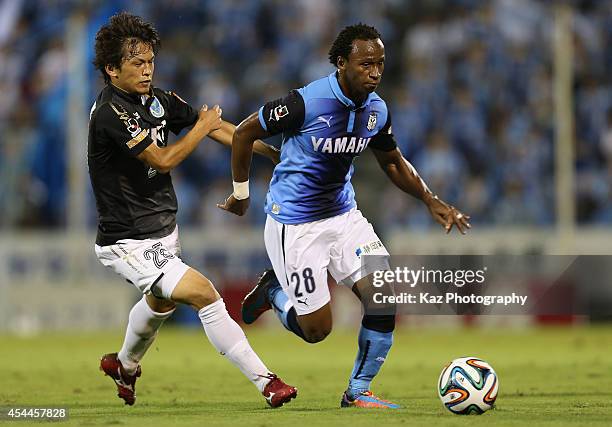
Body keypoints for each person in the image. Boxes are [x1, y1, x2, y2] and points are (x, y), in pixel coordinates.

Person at [218, 23, 470, 409]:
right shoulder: (306, 102)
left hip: (343, 216)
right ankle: (273, 291)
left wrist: (430, 199)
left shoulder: (377, 109)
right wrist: (240, 193)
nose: (375, 72)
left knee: (383, 297)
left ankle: (358, 391)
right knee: (316, 331)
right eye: (366, 64)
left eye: (381, 64)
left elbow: (392, 161)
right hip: (295, 224)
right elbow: (244, 133)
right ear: (341, 63)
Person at [88, 12, 294, 408]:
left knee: (161, 302)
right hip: (126, 239)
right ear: (112, 69)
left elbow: (219, 128)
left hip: (162, 230)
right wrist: (200, 126)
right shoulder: (110, 114)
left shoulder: (158, 100)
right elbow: (163, 159)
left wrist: (270, 152)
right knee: (204, 292)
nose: (147, 70)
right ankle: (267, 382)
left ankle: (124, 365)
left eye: (150, 61)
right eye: (137, 63)